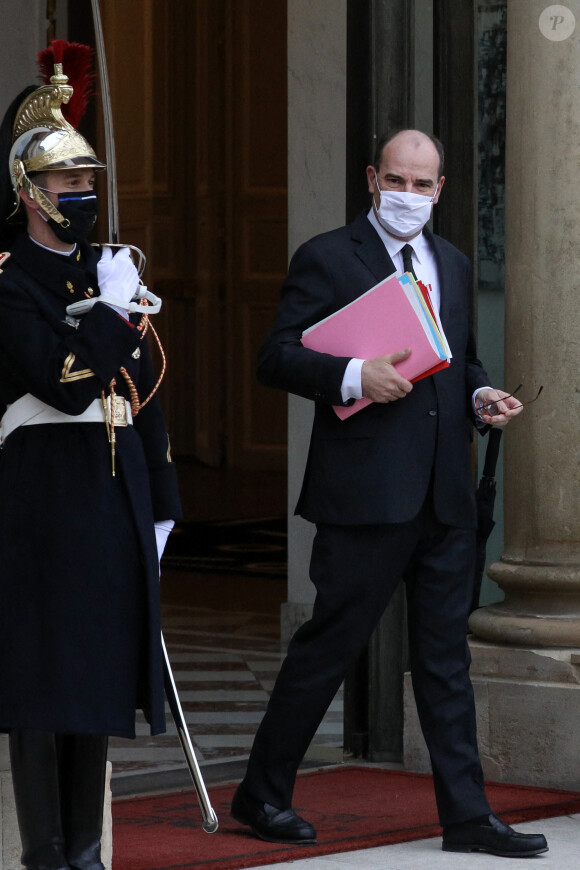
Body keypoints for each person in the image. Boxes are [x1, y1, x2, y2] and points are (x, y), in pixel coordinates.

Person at [231, 129, 548, 858]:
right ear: (373, 179)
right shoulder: (327, 256)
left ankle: (466, 816)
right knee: (329, 647)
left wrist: (481, 396)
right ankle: (263, 792)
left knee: (445, 659)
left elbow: (460, 360)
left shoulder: (455, 264)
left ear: (441, 190)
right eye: (397, 181)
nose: (410, 196)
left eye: (424, 184)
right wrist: (352, 376)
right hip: (364, 496)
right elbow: (276, 356)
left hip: (445, 497)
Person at [0, 43, 181, 870]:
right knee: (44, 683)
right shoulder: (8, 279)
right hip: (42, 497)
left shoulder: (103, 271)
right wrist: (109, 313)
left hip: (113, 492)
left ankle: (84, 852)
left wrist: (165, 501)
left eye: (87, 183)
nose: (82, 195)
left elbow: (144, 393)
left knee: (98, 682)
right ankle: (46, 855)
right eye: (67, 184)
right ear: (28, 191)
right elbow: (65, 382)